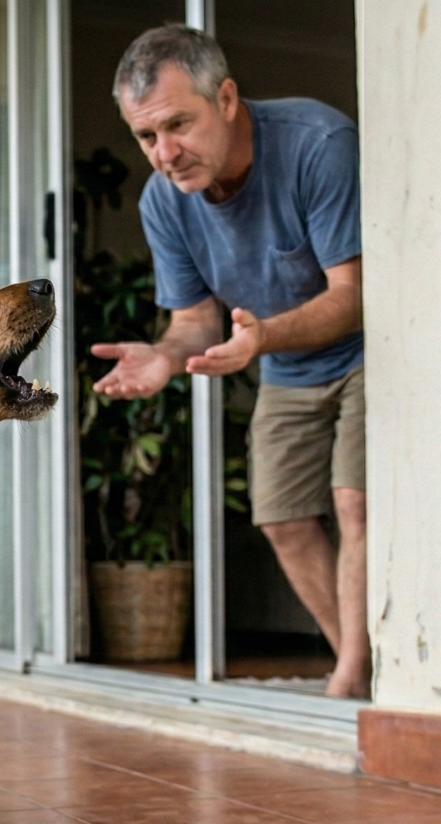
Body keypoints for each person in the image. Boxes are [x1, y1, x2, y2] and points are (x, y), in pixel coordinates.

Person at [92, 25, 369, 698]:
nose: (165, 153)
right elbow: (195, 321)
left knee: (354, 500)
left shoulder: (317, 144)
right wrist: (164, 355)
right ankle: (361, 669)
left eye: (178, 125)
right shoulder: (165, 200)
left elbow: (355, 295)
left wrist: (262, 338)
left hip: (368, 353)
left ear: (226, 97)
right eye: (146, 137)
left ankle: (350, 680)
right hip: (284, 362)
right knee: (281, 516)